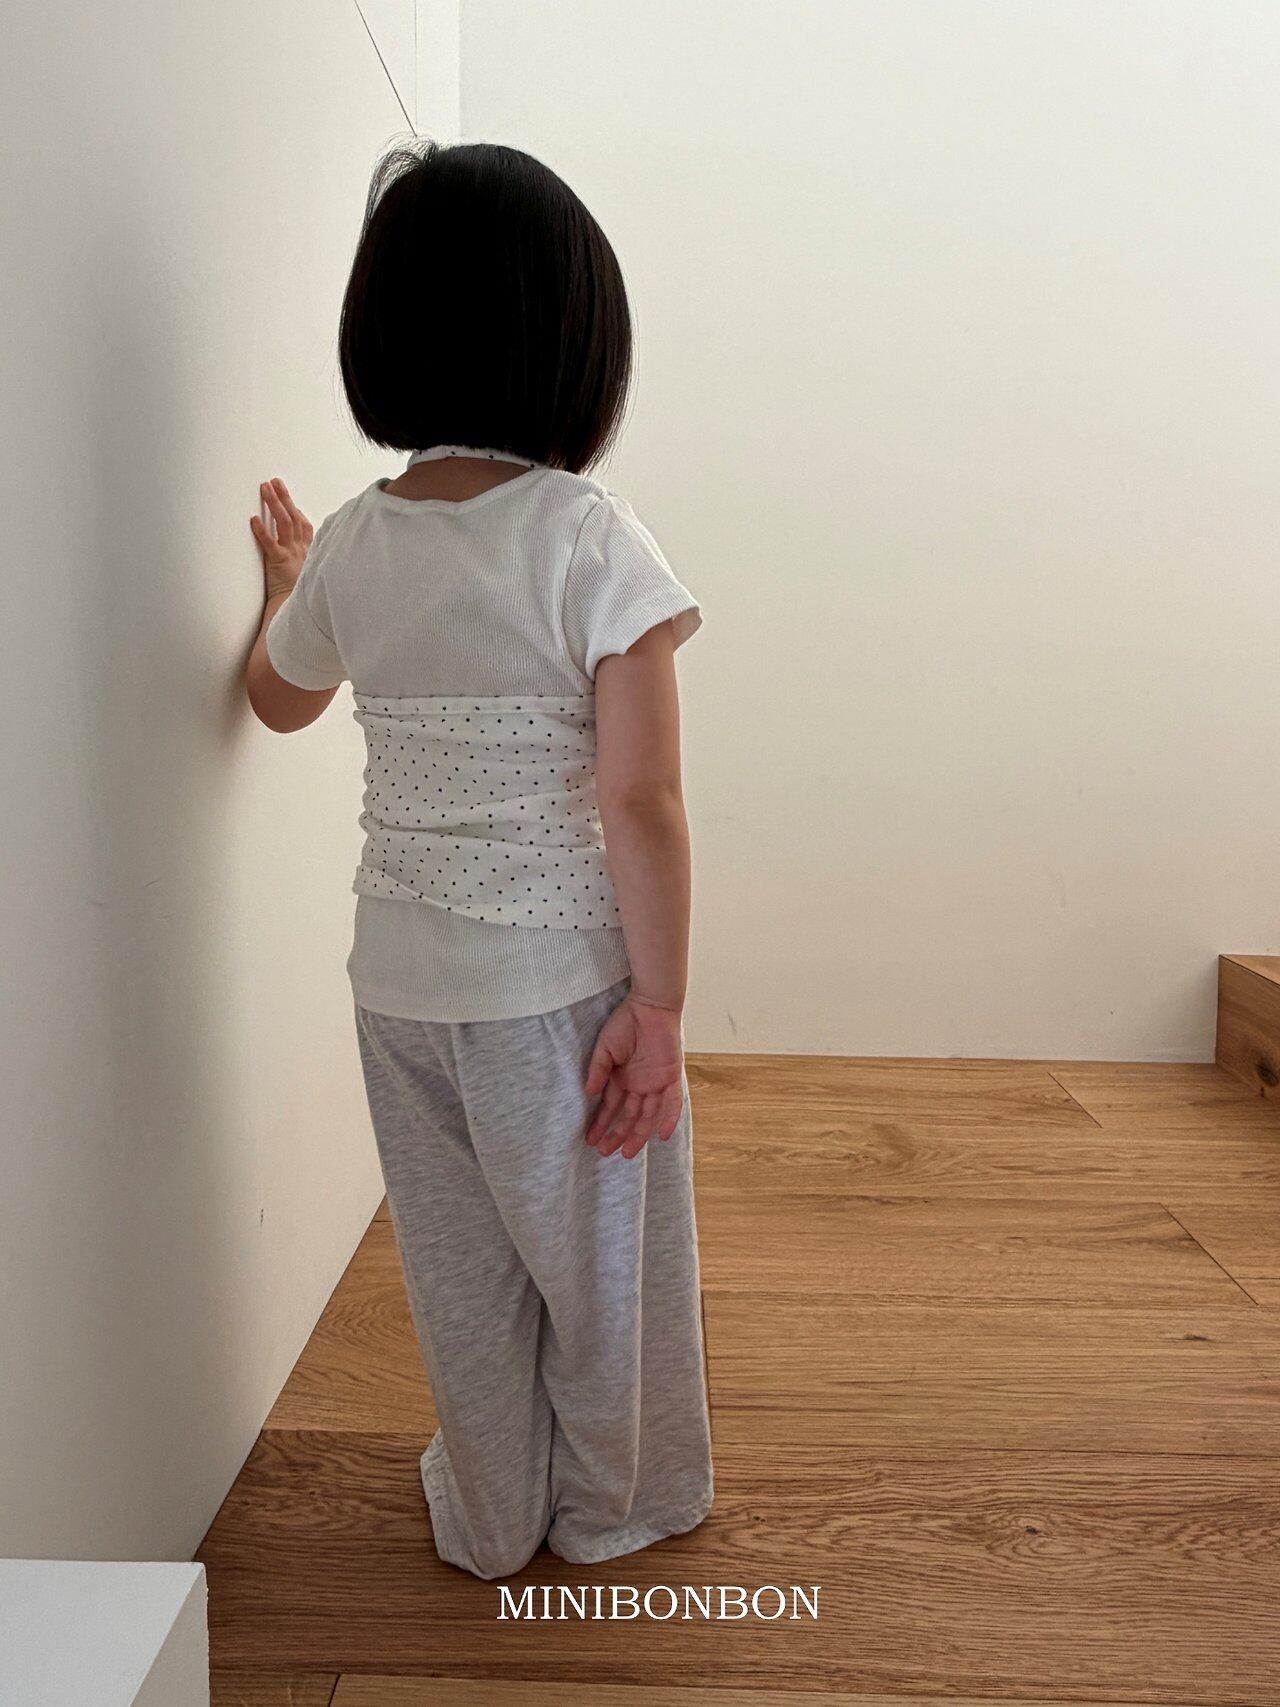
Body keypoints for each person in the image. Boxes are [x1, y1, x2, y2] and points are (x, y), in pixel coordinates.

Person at [243, 140, 713, 1580]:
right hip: (556, 995)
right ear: (577, 349)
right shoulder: (587, 539)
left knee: (461, 1273)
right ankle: (611, 1508)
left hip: (397, 987)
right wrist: (659, 1008)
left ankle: (494, 1520)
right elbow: (640, 802)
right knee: (600, 1269)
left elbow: (276, 699)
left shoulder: (357, 546)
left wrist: (288, 586)